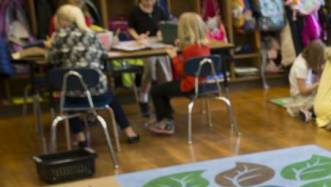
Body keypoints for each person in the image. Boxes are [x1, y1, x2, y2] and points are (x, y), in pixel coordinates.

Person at [47, 5, 140, 145]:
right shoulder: (91, 34)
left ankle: (80, 136)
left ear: (60, 20)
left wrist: (50, 46)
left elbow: (51, 59)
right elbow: (103, 55)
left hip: (73, 96)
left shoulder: (59, 37)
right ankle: (129, 131)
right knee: (111, 97)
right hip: (97, 92)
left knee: (66, 92)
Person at [148, 12, 209, 135]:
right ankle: (167, 117)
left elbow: (182, 72)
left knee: (156, 91)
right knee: (164, 89)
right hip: (202, 84)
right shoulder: (204, 46)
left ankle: (165, 122)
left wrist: (174, 57)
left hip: (188, 86)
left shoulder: (189, 50)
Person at [129, 0, 172, 117]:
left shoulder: (160, 9)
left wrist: (161, 32)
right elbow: (131, 28)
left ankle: (165, 102)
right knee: (149, 70)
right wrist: (138, 37)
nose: (149, 2)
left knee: (165, 72)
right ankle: (143, 98)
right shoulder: (135, 12)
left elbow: (166, 24)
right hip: (144, 45)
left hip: (159, 45)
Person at [286, 40, 326, 122]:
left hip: (305, 96)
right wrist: (318, 84)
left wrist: (321, 70)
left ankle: (307, 112)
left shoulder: (304, 58)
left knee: (323, 100)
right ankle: (304, 111)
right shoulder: (301, 66)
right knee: (323, 103)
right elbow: (303, 91)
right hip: (300, 99)